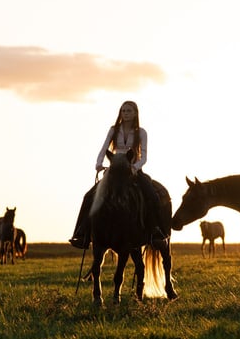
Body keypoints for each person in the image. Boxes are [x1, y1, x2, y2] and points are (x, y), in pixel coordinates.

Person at [69, 100, 167, 249]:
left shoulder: (141, 132)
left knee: (152, 195)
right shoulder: (113, 130)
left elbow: (144, 156)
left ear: (135, 113)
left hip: (133, 170)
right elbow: (104, 149)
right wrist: (99, 164)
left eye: (129, 111)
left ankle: (156, 232)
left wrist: (135, 167)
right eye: (123, 111)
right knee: (89, 196)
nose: (125, 114)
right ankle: (82, 233)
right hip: (115, 170)